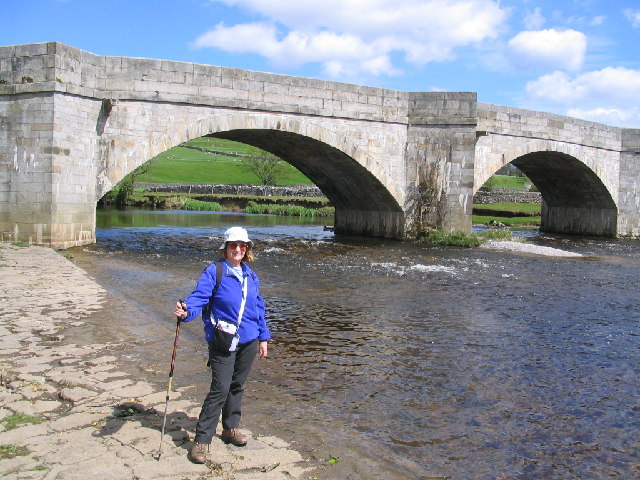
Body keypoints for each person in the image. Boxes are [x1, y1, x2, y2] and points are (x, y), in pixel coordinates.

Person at [173, 226, 270, 464]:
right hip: (223, 340)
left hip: (249, 339)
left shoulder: (250, 275)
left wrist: (264, 336)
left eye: (242, 245)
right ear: (225, 248)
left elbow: (258, 308)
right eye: (233, 245)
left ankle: (230, 428)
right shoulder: (214, 271)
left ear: (247, 249)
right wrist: (187, 312)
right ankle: (202, 440)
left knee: (237, 385)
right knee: (220, 388)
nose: (238, 249)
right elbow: (199, 298)